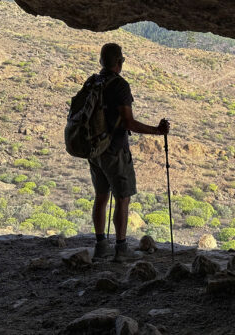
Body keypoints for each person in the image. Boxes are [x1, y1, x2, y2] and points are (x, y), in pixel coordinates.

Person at [90, 43, 170, 262]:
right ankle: (121, 248)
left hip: (95, 150)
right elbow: (128, 122)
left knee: (101, 197)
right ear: (120, 62)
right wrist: (157, 130)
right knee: (122, 198)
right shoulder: (120, 86)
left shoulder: (94, 82)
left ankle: (100, 246)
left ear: (101, 61)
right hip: (115, 150)